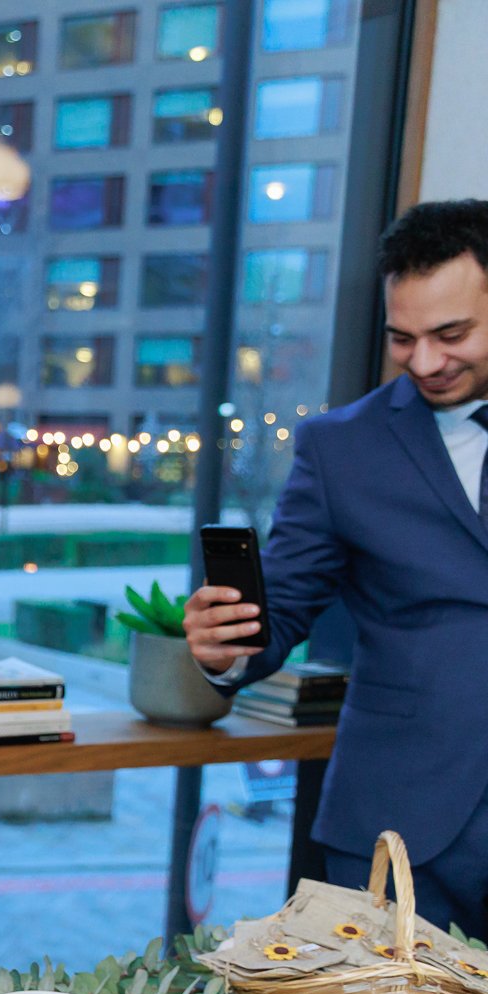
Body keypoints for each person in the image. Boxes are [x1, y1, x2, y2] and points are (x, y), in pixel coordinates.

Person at [183, 199, 488, 942]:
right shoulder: (339, 448)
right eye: (402, 339)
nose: (426, 362)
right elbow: (282, 609)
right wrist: (228, 650)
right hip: (397, 821)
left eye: (452, 334)